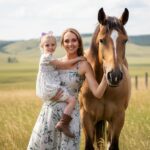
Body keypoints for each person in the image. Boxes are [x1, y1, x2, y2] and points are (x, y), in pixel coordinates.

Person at [27, 28, 107, 150]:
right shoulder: (55, 62)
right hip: (49, 114)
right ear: (62, 44)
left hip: (70, 119)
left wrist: (107, 76)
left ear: (79, 42)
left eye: (74, 40)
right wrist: (49, 95)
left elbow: (98, 93)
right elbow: (43, 82)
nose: (70, 44)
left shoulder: (84, 65)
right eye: (67, 41)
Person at [36, 32, 85, 138]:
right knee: (72, 100)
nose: (50, 47)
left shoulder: (50, 57)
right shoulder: (47, 57)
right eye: (47, 45)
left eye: (53, 45)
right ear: (42, 46)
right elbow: (63, 65)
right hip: (50, 87)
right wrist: (78, 59)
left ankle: (63, 122)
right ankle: (63, 123)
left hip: (49, 86)